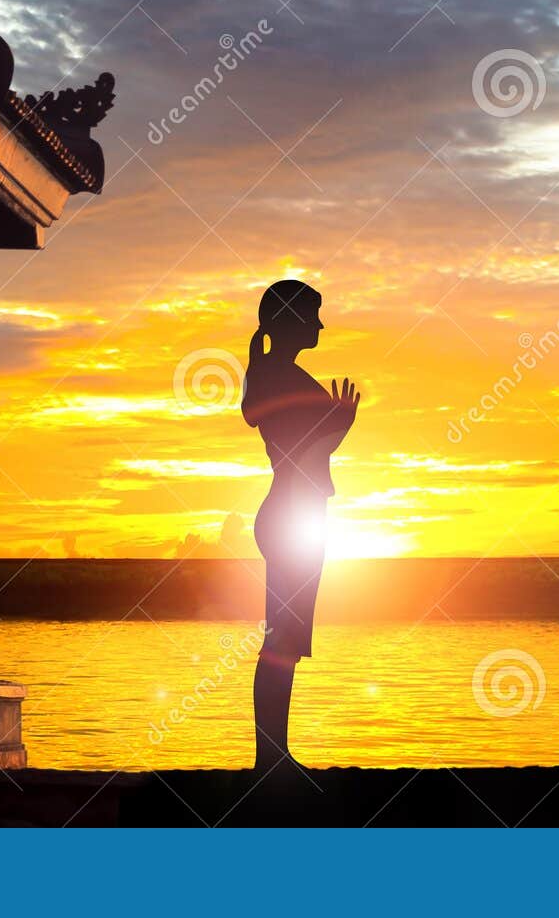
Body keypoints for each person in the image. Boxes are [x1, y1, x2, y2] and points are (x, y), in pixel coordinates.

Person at [240, 279, 359, 772]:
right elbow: (304, 451)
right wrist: (342, 424)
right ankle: (271, 756)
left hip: (296, 511)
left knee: (285, 639)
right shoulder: (278, 375)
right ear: (290, 321)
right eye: (313, 316)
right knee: (281, 640)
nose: (321, 325)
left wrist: (335, 423)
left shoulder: (276, 373)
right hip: (293, 511)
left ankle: (275, 753)